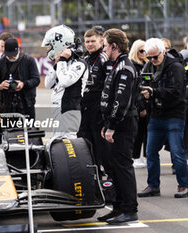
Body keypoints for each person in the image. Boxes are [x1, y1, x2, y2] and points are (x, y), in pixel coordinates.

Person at [97, 28, 138, 224]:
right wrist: (106, 124)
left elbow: (121, 101)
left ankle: (130, 209)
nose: (103, 49)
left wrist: (111, 125)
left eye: (105, 45)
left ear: (114, 46)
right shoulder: (116, 64)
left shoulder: (125, 67)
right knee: (114, 167)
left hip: (124, 124)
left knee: (123, 167)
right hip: (114, 123)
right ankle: (119, 208)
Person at [138, 38, 188, 198]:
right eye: (149, 57)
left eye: (155, 57)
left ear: (163, 52)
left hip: (174, 114)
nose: (152, 60)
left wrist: (154, 92)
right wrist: (144, 94)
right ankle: (153, 186)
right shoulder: (148, 66)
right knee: (150, 151)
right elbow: (142, 83)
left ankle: (184, 185)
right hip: (156, 114)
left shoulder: (176, 67)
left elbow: (177, 92)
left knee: (177, 152)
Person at [77, 26, 112, 176]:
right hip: (84, 108)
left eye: (93, 41)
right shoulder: (84, 59)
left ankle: (106, 176)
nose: (90, 44)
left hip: (99, 109)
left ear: (100, 41)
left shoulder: (104, 58)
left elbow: (110, 84)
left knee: (100, 145)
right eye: (87, 42)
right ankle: (92, 174)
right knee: (85, 143)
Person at [41, 25, 88, 137]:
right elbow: (48, 84)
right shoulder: (62, 63)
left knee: (67, 144)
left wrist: (62, 60)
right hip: (58, 109)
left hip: (69, 110)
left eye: (51, 46)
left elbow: (65, 82)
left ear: (60, 43)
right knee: (56, 142)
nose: (49, 49)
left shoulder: (79, 63)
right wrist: (57, 64)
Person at [0, 38, 40, 118]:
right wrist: (0, 86)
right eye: (9, 55)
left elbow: (36, 80)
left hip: (26, 102)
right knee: (7, 128)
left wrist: (23, 84)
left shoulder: (29, 60)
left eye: (13, 54)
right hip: (6, 104)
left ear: (18, 49)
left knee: (29, 128)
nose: (11, 57)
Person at [129, 39, 149, 168]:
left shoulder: (149, 64)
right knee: (138, 133)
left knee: (148, 133)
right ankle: (135, 157)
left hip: (150, 104)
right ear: (136, 51)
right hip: (137, 105)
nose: (144, 53)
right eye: (141, 50)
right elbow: (135, 89)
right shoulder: (132, 66)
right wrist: (141, 107)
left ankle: (147, 156)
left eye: (145, 50)